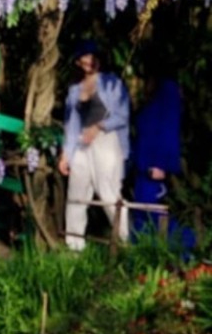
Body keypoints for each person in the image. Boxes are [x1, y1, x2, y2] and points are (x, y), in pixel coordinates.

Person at [57, 39, 130, 250]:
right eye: (83, 57)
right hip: (81, 144)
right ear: (78, 62)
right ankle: (74, 248)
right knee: (76, 196)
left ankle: (125, 244)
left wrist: (98, 127)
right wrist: (65, 155)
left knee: (108, 192)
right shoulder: (74, 90)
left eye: (90, 56)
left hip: (106, 141)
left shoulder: (112, 84)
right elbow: (71, 125)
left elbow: (122, 115)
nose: (87, 61)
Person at [130, 77, 186, 243]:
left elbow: (169, 130)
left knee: (153, 212)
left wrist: (161, 163)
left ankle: (167, 250)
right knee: (143, 212)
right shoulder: (153, 101)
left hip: (154, 169)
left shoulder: (167, 92)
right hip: (144, 168)